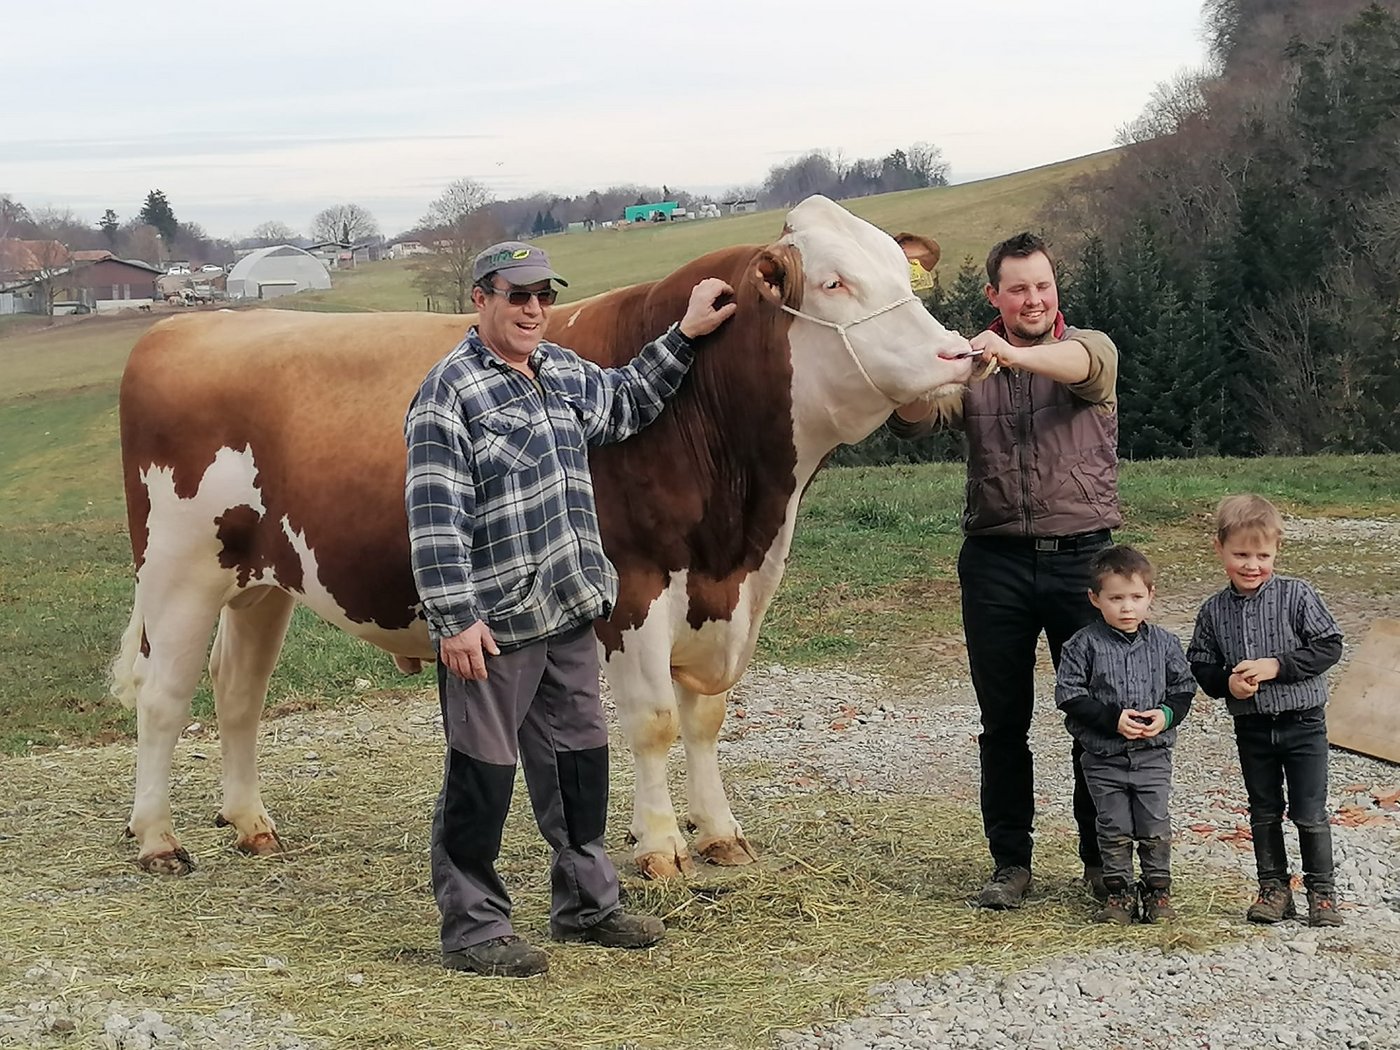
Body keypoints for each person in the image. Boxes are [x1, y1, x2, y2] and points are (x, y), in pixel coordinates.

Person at [404, 240, 736, 977]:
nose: (533, 309)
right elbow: (433, 517)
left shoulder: (559, 373)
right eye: (516, 295)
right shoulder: (449, 393)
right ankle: (474, 928)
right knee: (481, 776)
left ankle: (587, 906)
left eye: (543, 296)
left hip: (567, 614)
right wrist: (454, 618)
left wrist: (684, 334)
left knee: (581, 767)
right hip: (493, 630)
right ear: (480, 298)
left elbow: (625, 401)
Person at [888, 231, 1121, 909]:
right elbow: (914, 421)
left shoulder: (1090, 348)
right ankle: (1010, 864)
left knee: (1095, 715)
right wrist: (921, 371)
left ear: (1056, 290)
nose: (1032, 298)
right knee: (1004, 721)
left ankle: (1101, 861)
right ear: (995, 295)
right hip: (995, 563)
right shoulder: (973, 365)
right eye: (1017, 288)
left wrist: (1010, 356)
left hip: (1084, 559)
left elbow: (1083, 369)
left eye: (1042, 286)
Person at [1187, 494, 1346, 927]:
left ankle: (1322, 891)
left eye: (1263, 555)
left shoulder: (1298, 595)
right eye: (1240, 554)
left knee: (1309, 811)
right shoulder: (1213, 611)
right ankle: (1274, 888)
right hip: (1253, 726)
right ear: (1219, 549)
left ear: (1277, 551)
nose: (1252, 564)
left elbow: (1329, 645)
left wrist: (1278, 665)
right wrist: (1227, 682)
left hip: (1304, 723)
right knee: (1263, 810)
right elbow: (1200, 662)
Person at [1054, 545, 1195, 924]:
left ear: (1151, 595)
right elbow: (1068, 694)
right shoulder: (1082, 645)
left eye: (1136, 597)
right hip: (1103, 756)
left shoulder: (1165, 644)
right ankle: (1118, 893)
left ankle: (1158, 891)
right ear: (1095, 599)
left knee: (1153, 824)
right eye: (1116, 598)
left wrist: (1166, 716)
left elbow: (1183, 689)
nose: (1127, 607)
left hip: (1153, 754)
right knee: (1113, 825)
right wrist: (1111, 719)